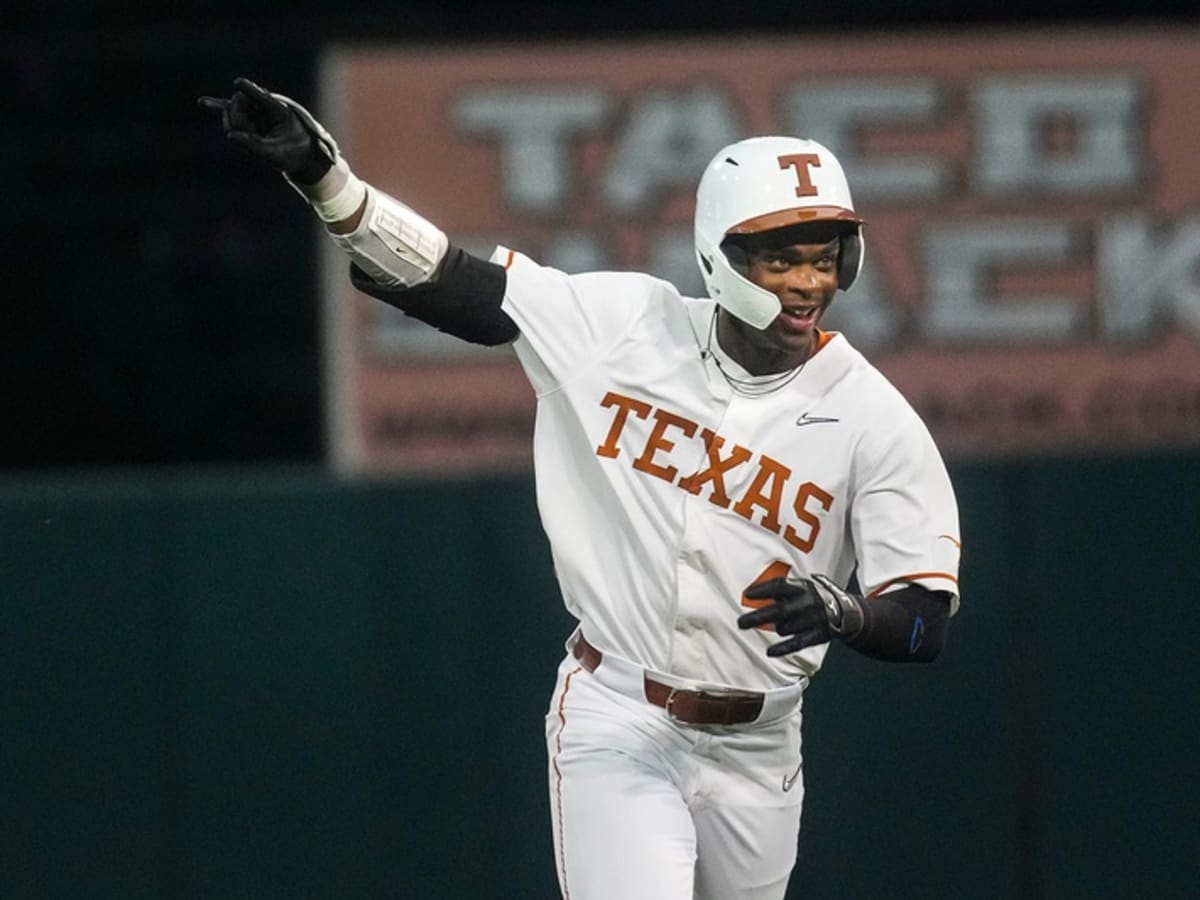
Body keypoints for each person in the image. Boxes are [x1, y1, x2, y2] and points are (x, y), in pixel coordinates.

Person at [199, 77, 962, 900]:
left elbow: (923, 624)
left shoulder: (873, 416)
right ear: (719, 253)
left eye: (824, 256)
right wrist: (327, 181)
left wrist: (848, 613)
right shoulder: (623, 326)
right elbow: (451, 283)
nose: (808, 282)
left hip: (761, 745)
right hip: (620, 716)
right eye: (781, 257)